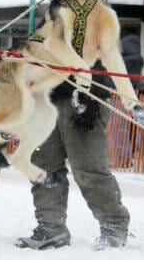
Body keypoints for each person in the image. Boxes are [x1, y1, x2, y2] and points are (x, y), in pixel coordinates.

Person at [16, 61, 130, 251]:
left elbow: (101, 53)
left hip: (82, 96)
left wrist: (92, 95)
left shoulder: (89, 29)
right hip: (44, 100)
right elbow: (31, 51)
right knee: (43, 167)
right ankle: (51, 227)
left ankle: (114, 224)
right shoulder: (40, 31)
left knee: (88, 169)